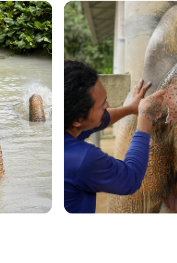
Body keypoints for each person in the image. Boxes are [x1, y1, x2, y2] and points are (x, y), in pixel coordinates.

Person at [62, 60, 167, 214]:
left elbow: (99, 120)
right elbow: (130, 179)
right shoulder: (83, 160)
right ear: (78, 120)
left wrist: (130, 109)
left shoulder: (66, 124)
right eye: (102, 104)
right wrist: (144, 122)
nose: (108, 104)